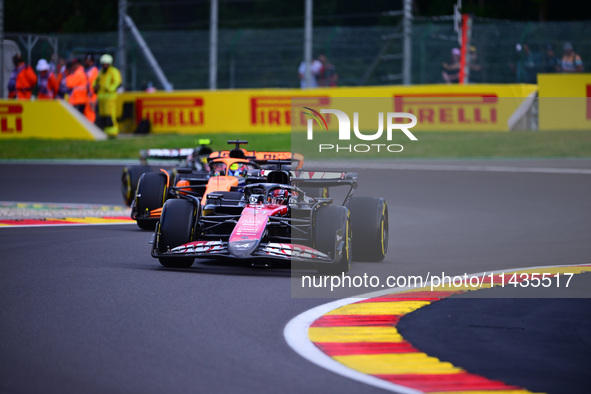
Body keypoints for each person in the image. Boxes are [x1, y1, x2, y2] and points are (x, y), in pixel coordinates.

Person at [94, 54, 122, 138]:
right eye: (103, 63)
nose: (104, 65)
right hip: (102, 98)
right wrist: (95, 87)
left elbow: (117, 82)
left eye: (105, 63)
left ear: (109, 63)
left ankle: (113, 132)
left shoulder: (113, 71)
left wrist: (109, 89)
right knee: (103, 116)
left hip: (110, 98)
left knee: (110, 115)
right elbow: (96, 82)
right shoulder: (101, 72)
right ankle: (106, 132)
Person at [84, 54, 99, 123]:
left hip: (92, 95)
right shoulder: (88, 70)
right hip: (87, 95)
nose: (85, 61)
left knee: (90, 114)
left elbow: (94, 84)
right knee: (86, 114)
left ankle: (91, 128)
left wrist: (92, 96)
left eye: (87, 60)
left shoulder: (94, 70)